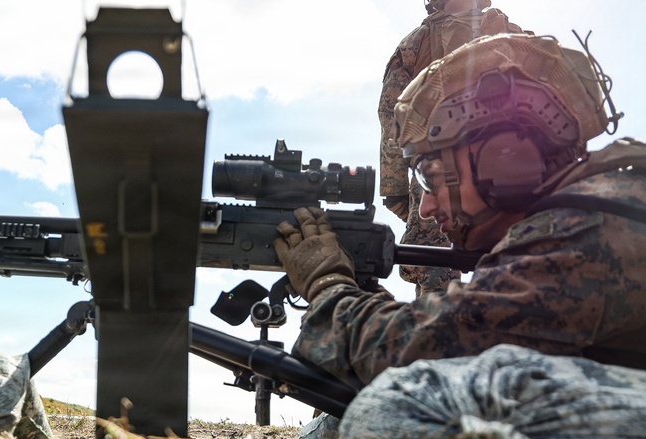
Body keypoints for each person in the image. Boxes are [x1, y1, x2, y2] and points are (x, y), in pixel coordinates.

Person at [276, 32, 646, 390]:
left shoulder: (588, 228)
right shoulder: (610, 203)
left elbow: (418, 355)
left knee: (392, 412)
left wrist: (327, 285)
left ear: (504, 159)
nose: (424, 208)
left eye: (431, 176)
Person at [379, 0, 527, 297]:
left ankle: (439, 336)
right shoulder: (509, 32)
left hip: (437, 170)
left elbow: (392, 114)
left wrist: (394, 188)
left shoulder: (415, 42)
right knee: (515, 263)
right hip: (504, 167)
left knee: (435, 272)